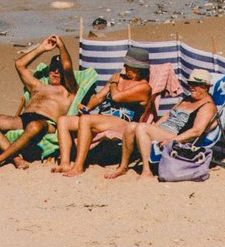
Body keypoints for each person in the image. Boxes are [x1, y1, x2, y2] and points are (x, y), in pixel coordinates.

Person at [0, 36, 78, 168]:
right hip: (23, 119)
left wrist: (61, 46)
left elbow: (67, 66)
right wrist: (42, 48)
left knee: (34, 126)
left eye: (59, 69)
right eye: (53, 67)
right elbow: (19, 64)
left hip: (47, 123)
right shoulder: (37, 86)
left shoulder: (69, 90)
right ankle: (17, 159)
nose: (56, 71)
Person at [55, 44, 153, 176]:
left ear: (138, 69)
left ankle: (78, 166)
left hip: (124, 123)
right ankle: (65, 163)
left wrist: (113, 83)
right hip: (105, 118)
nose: (125, 68)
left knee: (86, 120)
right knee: (63, 121)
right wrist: (88, 107)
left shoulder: (144, 87)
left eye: (128, 66)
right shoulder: (120, 78)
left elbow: (116, 97)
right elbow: (99, 97)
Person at [105, 67, 216, 180]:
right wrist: (154, 127)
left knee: (142, 127)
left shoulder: (207, 106)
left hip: (176, 137)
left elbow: (196, 131)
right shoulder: (187, 99)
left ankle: (146, 171)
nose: (191, 87)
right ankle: (123, 167)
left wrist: (173, 140)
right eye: (190, 83)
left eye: (195, 84)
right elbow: (168, 115)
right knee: (131, 126)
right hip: (163, 131)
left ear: (206, 86)